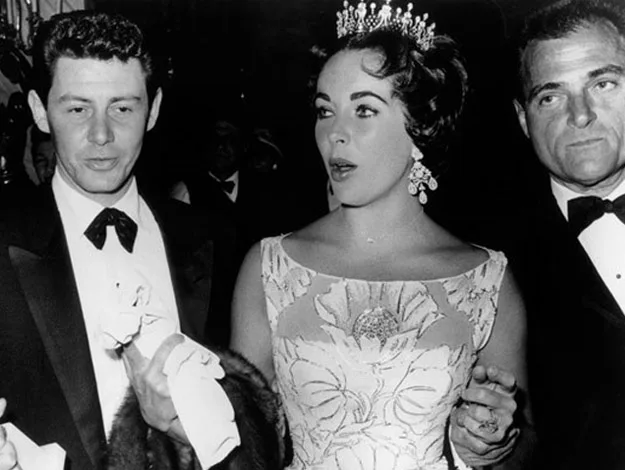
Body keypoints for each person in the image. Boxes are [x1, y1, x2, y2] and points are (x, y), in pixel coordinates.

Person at [231, 1, 533, 468]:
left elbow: (525, 448)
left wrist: (493, 442)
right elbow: (241, 449)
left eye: (364, 110)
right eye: (325, 111)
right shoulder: (269, 267)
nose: (336, 134)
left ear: (419, 126)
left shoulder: (486, 280)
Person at [0, 11, 283, 470]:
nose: (101, 135)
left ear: (152, 110)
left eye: (123, 108)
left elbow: (259, 433)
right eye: (77, 109)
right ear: (39, 111)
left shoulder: (217, 240)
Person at [509, 0, 625, 468]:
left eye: (603, 84)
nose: (581, 115)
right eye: (551, 97)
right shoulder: (491, 264)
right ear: (524, 119)